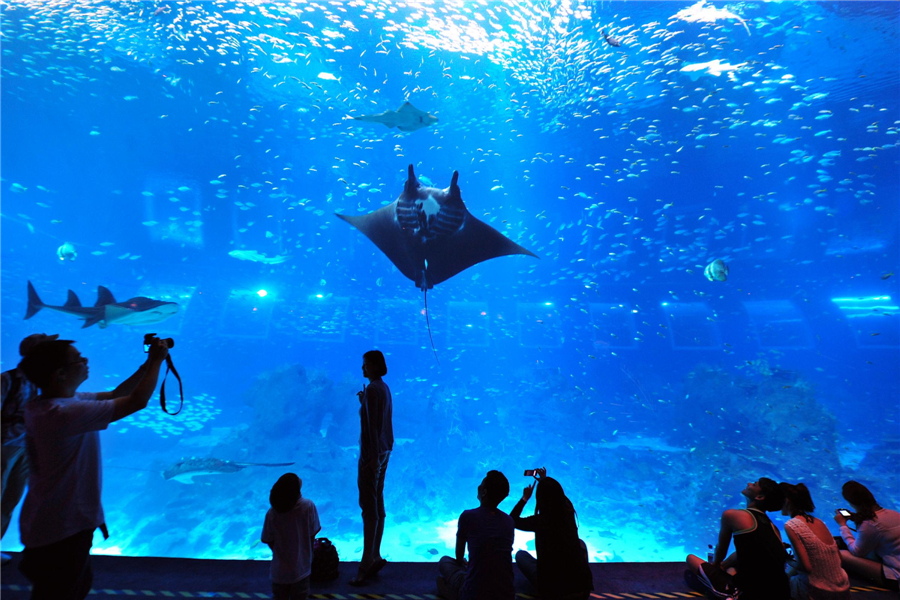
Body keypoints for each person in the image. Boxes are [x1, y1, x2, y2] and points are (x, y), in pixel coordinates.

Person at [16, 337, 169, 600]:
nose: (85, 362)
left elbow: (116, 394)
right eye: (78, 359)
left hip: (52, 521)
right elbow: (136, 401)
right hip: (61, 529)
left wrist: (147, 365)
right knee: (62, 592)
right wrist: (157, 361)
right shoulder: (62, 414)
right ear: (60, 374)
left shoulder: (51, 404)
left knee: (68, 587)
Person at [1, 333, 59, 565]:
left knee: (10, 500)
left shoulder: (44, 383)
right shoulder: (7, 380)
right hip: (4, 447)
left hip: (27, 448)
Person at [686, 478, 790, 600]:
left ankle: (729, 594)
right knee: (732, 568)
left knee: (691, 559)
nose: (749, 483)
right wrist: (724, 566)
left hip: (751, 593)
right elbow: (752, 551)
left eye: (754, 484)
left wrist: (716, 565)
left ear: (760, 497)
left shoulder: (732, 515)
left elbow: (721, 550)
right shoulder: (773, 528)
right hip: (781, 592)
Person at [510, 467, 593, 600]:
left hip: (553, 592)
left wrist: (525, 498)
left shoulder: (540, 521)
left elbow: (512, 520)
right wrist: (544, 481)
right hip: (582, 591)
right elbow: (557, 496)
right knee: (580, 543)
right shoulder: (568, 511)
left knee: (520, 556)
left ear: (540, 498)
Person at [350, 349, 393, 586]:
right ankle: (375, 555)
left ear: (375, 366)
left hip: (372, 454)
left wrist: (371, 458)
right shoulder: (382, 388)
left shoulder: (375, 390)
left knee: (368, 506)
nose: (363, 368)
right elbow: (378, 420)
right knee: (377, 501)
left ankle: (366, 562)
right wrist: (363, 402)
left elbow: (373, 427)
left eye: (366, 365)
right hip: (383, 450)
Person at [437, 470, 515, 600]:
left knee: (444, 561)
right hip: (506, 594)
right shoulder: (509, 521)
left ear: (484, 492)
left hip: (474, 593)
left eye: (481, 483)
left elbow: (459, 556)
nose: (478, 486)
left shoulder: (467, 516)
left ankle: (449, 593)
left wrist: (465, 563)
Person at [779, 482, 850, 600]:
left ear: (787, 501)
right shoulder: (819, 522)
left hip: (817, 591)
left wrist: (785, 557)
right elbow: (839, 559)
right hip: (843, 588)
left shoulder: (792, 525)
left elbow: (805, 567)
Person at [261, 473, 321, 600]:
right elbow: (313, 533)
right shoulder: (308, 506)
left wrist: (280, 552)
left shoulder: (272, 513)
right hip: (302, 569)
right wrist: (309, 555)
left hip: (279, 571)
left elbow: (268, 539)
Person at [834, 480, 900, 592]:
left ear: (852, 503)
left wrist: (843, 525)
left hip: (896, 575)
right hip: (892, 560)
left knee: (840, 553)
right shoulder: (894, 513)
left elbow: (857, 551)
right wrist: (857, 517)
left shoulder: (870, 523)